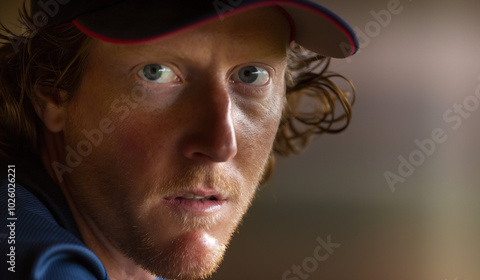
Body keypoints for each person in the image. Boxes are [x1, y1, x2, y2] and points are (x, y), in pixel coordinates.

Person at [0, 0, 358, 279]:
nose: (221, 144)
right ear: (51, 91)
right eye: (155, 73)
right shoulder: (32, 258)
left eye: (252, 74)